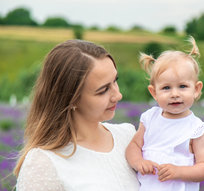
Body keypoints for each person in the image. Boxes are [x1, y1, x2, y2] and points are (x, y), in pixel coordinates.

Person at [14, 39, 140, 190]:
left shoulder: (128, 136)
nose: (117, 95)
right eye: (103, 90)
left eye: (115, 81)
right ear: (71, 98)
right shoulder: (43, 163)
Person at [126, 36, 204, 191]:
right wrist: (138, 161)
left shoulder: (196, 130)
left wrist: (179, 171)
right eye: (166, 88)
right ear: (154, 92)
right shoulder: (149, 118)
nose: (175, 94)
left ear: (196, 89)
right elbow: (134, 145)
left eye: (182, 86)